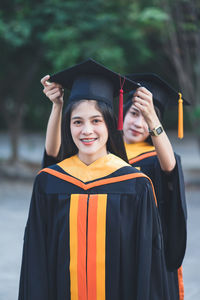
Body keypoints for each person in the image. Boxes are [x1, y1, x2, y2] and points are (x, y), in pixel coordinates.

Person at [18, 59, 171, 300]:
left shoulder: (135, 185)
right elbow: (36, 258)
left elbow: (146, 265)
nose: (86, 130)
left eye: (96, 121)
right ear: (68, 126)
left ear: (110, 124)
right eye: (77, 122)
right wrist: (57, 106)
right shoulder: (49, 182)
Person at [123, 73, 189, 300]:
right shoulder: (105, 155)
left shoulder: (159, 159)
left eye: (147, 117)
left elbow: (169, 167)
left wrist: (153, 120)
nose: (138, 124)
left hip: (149, 255)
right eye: (133, 113)